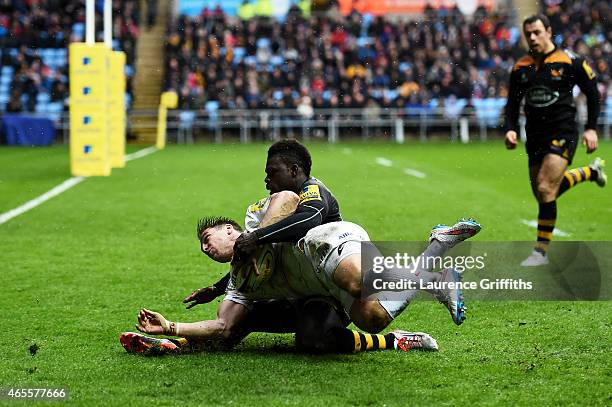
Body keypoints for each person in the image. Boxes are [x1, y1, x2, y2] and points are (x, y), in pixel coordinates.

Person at [121, 194, 481, 355]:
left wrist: (258, 238)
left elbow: (286, 198)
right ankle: (432, 263)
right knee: (365, 321)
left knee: (356, 284)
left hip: (328, 251)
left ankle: (434, 272)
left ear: (230, 230)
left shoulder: (253, 219)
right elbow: (223, 324)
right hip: (314, 291)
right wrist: (172, 326)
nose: (204, 248)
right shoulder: (238, 279)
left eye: (206, 238)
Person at [504, 14, 607, 267]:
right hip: (535, 136)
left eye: (537, 32)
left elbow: (593, 94)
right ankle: (589, 173)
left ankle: (540, 252)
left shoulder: (570, 61)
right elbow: (512, 104)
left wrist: (592, 128)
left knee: (545, 187)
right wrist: (510, 128)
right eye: (528, 33)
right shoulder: (520, 67)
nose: (533, 37)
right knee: (544, 192)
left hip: (563, 131)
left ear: (549, 32)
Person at [191, 139, 343, 304]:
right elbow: (264, 256)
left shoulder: (312, 188)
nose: (266, 180)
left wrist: (256, 237)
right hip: (324, 284)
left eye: (272, 173)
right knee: (305, 326)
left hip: (347, 265)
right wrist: (217, 288)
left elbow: (310, 219)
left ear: (293, 170)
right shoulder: (283, 207)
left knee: (371, 309)